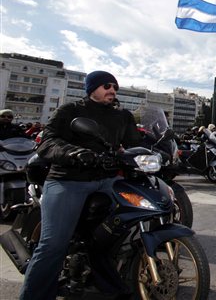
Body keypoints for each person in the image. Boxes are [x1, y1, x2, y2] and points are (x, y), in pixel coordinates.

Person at [19, 71, 142, 300]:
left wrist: (162, 147)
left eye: (115, 86)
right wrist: (73, 152)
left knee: (116, 233)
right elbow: (47, 142)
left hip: (108, 180)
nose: (112, 89)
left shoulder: (123, 116)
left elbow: (136, 144)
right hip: (69, 179)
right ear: (91, 88)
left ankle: (109, 283)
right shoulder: (71, 111)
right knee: (53, 245)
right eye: (106, 85)